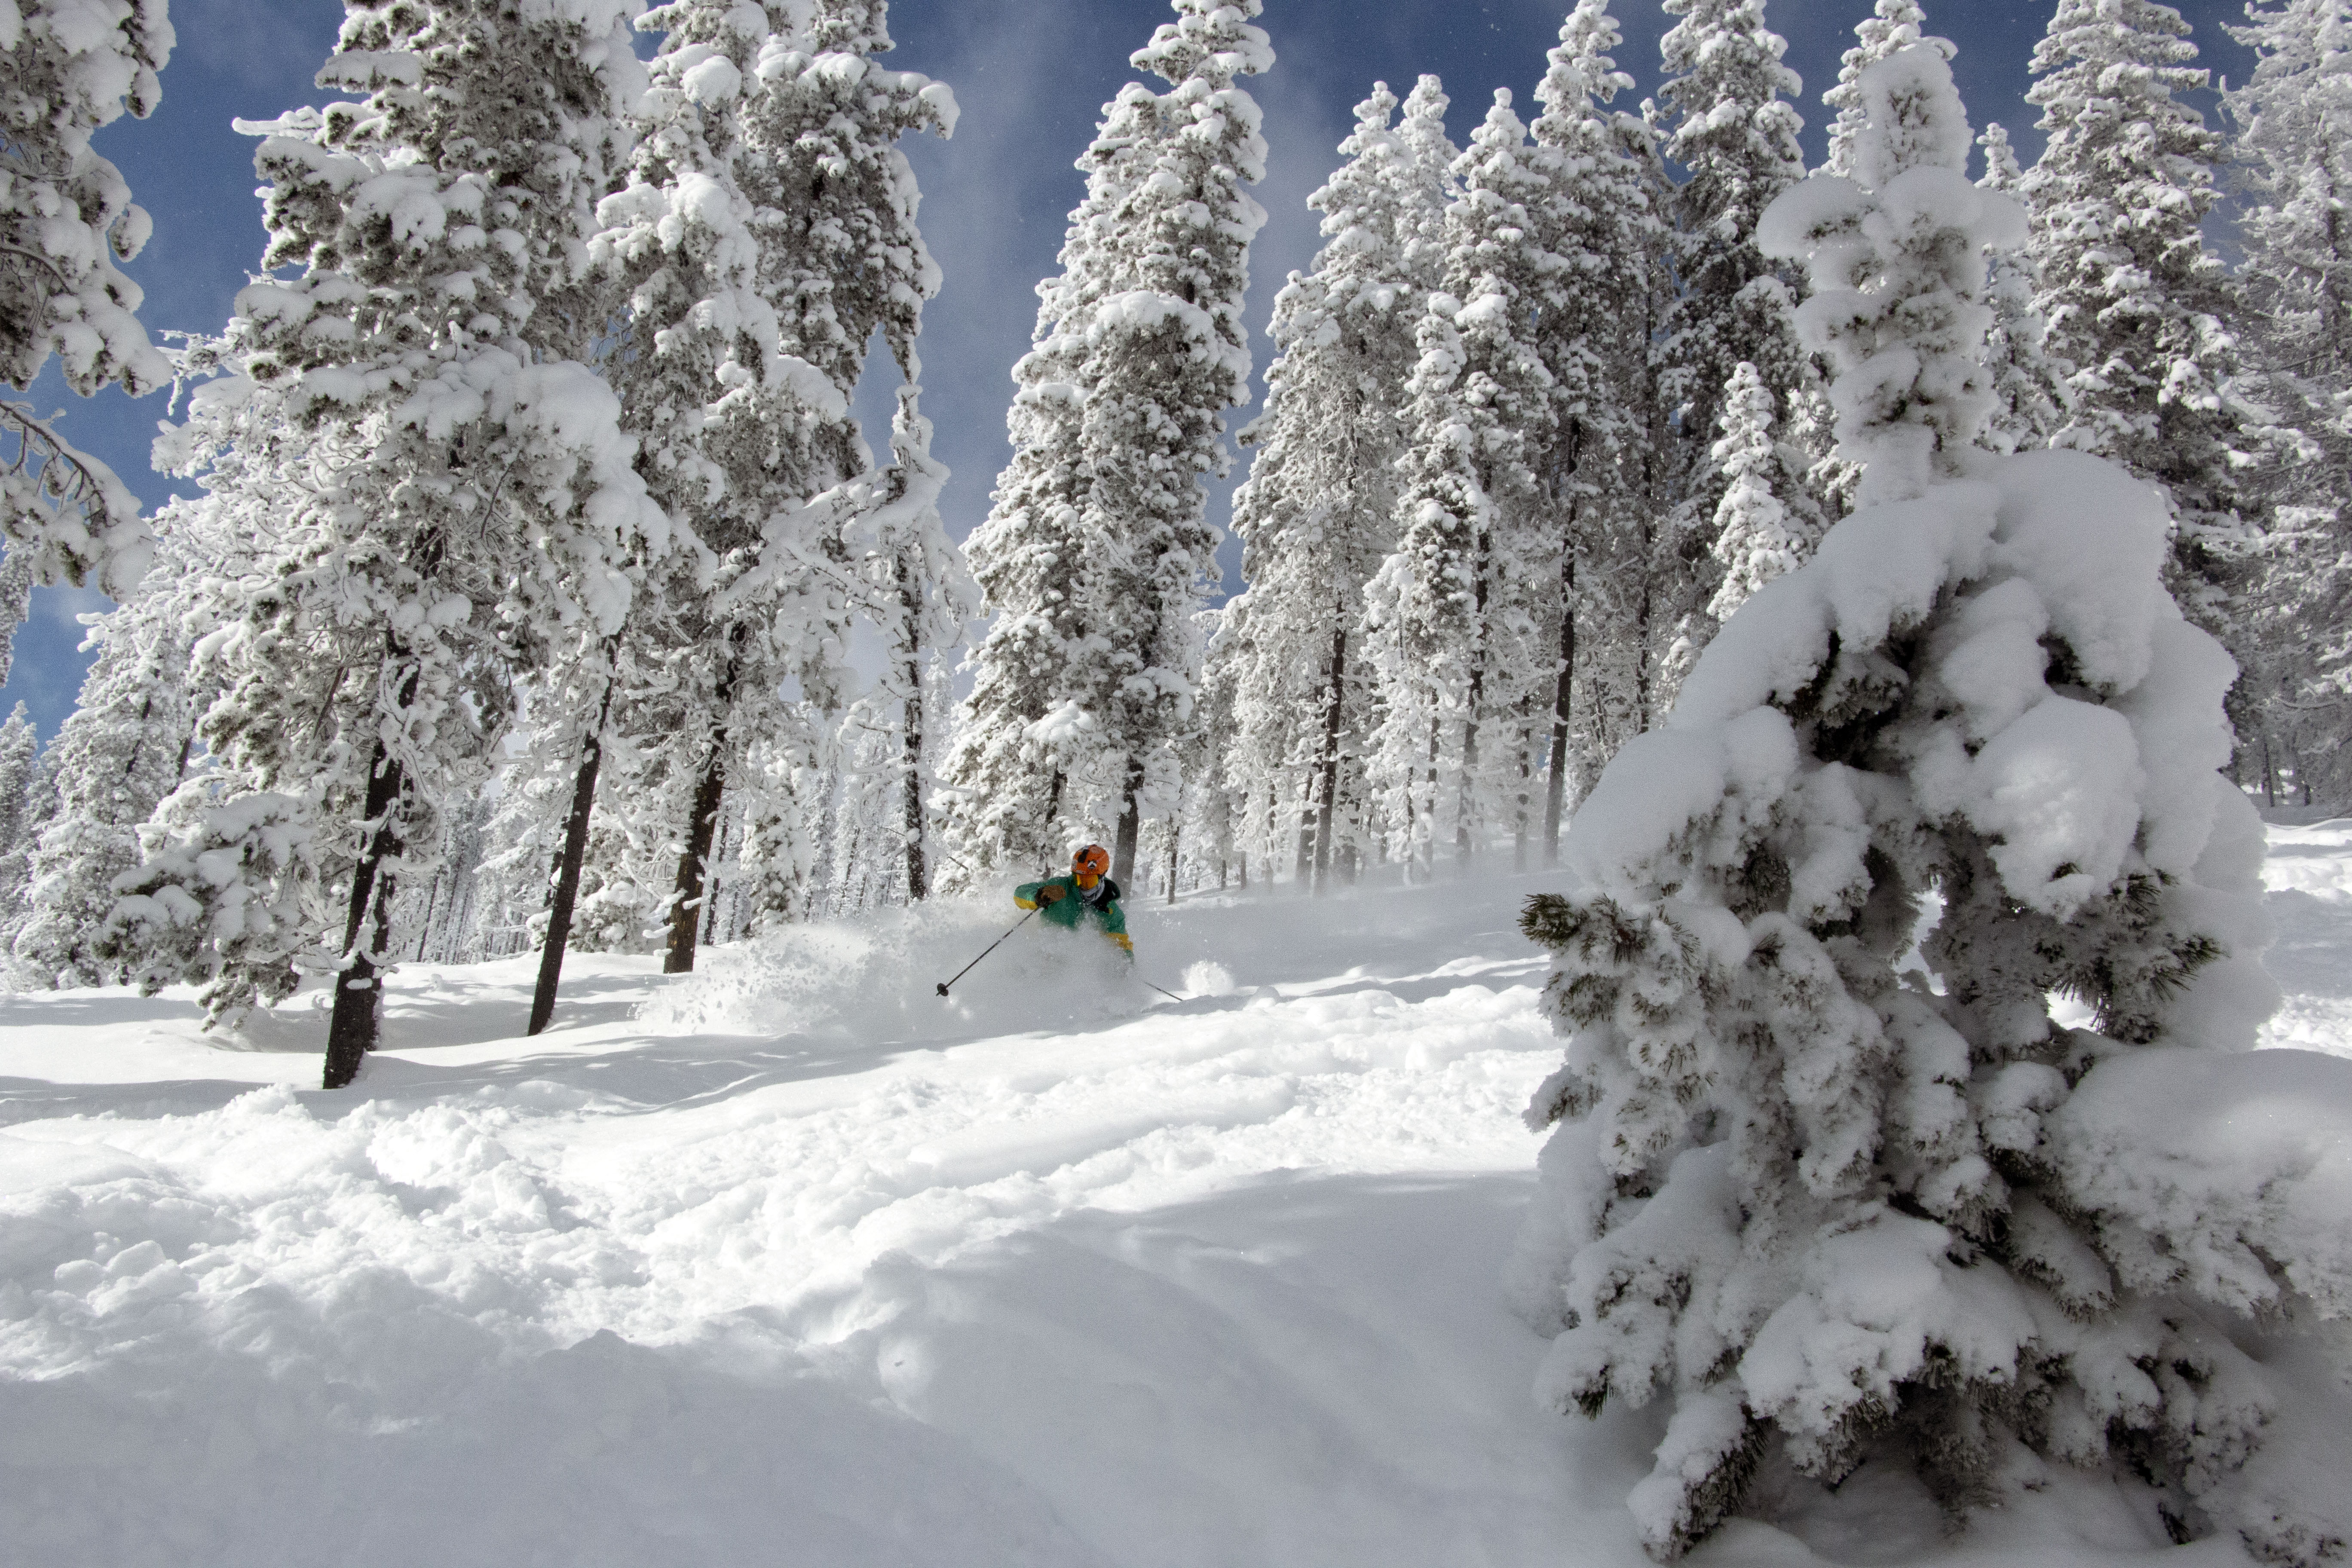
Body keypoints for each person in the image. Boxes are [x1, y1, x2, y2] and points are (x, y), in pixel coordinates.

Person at [1016, 844, 1132, 954]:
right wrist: (1039, 896)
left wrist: (1125, 971)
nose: (1082, 886)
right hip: (1044, 954)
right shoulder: (1060, 887)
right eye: (1078, 879)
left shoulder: (1111, 912)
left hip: (1078, 967)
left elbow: (1122, 949)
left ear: (1102, 877)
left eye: (1089, 881)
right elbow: (1019, 894)